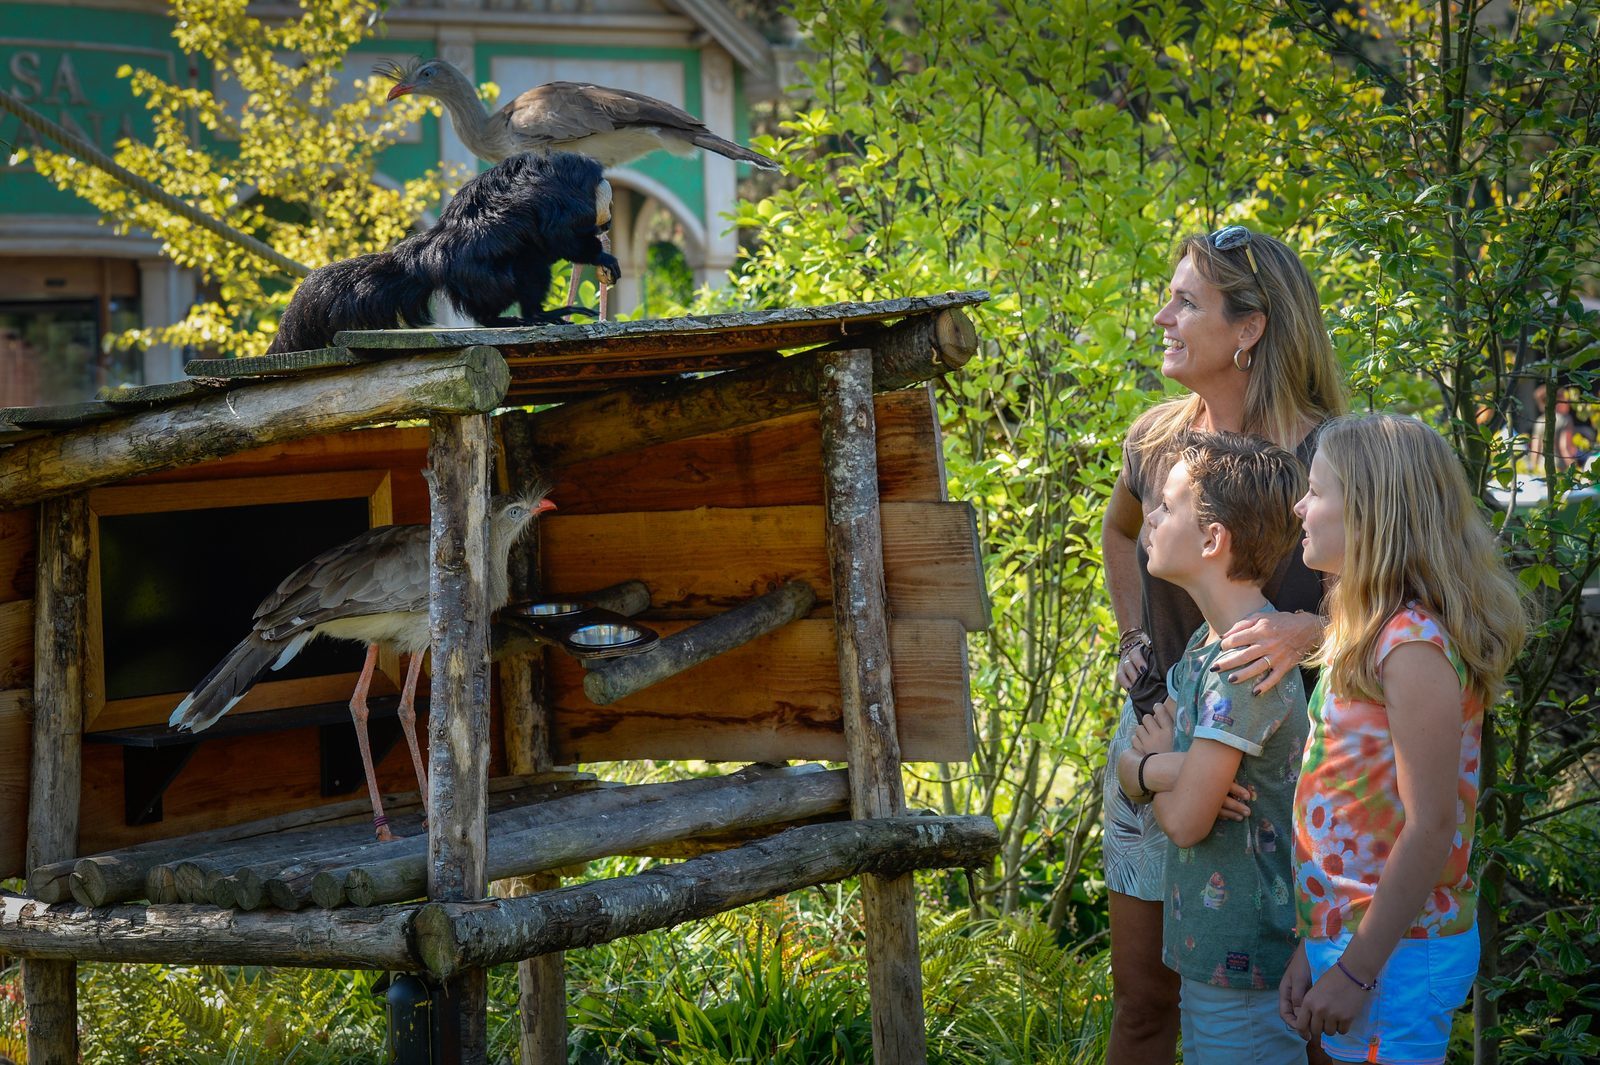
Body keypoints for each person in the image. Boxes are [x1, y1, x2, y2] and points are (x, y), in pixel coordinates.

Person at [1100, 225, 1347, 1064]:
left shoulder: (1329, 459)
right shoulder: (1155, 441)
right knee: (1143, 1004)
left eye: (1185, 301)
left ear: (1248, 328)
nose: (1162, 315)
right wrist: (1135, 637)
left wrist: (1307, 628)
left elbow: (1388, 609)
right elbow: (1117, 531)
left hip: (1277, 781)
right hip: (1158, 738)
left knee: (1294, 1011)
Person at [1278, 413, 1529, 1065]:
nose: (1300, 505)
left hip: (1398, 952)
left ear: (1369, 512)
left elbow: (1429, 826)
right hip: (1356, 939)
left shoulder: (1412, 645)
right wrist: (1315, 941)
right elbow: (1356, 810)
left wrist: (1356, 970)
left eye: (1316, 489)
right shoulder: (1365, 633)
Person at [1114, 431, 1312, 1064]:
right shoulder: (1206, 642)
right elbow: (1193, 787)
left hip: (1248, 967)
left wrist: (1145, 770)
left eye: (1166, 507)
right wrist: (1182, 768)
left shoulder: (1240, 664)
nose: (1148, 518)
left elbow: (1185, 821)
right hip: (1211, 955)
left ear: (1211, 540)